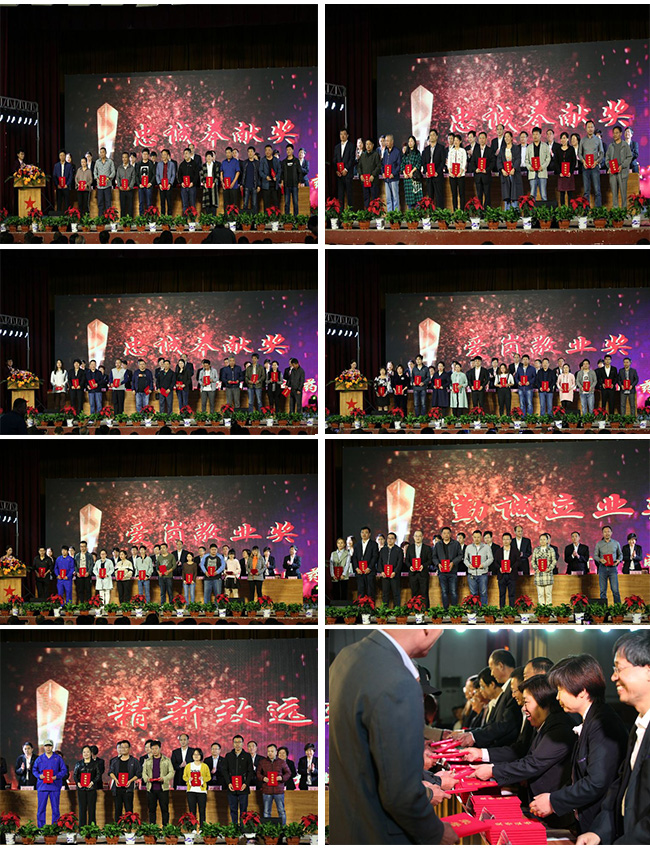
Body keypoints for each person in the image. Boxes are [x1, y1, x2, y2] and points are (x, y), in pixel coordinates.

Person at [329, 628, 455, 844]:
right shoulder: (398, 680)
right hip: (379, 834)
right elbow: (401, 793)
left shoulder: (347, 656)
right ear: (427, 627)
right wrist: (436, 832)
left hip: (349, 828)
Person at [528, 655, 628, 832]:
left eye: (560, 690)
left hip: (600, 825)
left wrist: (553, 801)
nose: (557, 697)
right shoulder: (592, 718)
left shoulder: (602, 722)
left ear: (582, 691)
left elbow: (597, 782)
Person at [469, 675, 576, 825]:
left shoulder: (559, 727)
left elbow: (532, 763)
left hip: (553, 812)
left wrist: (493, 771)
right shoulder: (543, 723)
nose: (523, 708)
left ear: (542, 700)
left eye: (526, 702)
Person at [576, 632, 650, 844]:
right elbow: (623, 786)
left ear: (648, 670)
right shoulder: (639, 724)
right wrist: (599, 832)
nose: (613, 677)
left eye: (619, 668)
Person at [34, 740, 67, 826]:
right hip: (42, 787)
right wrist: (39, 776)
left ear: (52, 747)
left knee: (55, 809)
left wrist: (56, 776)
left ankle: (55, 827)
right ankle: (41, 828)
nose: (48, 748)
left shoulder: (58, 758)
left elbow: (64, 770)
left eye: (49, 746)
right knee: (41, 809)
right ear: (43, 747)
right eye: (46, 746)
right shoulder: (39, 759)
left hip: (54, 786)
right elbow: (34, 770)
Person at [257, 743, 291, 824]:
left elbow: (288, 773)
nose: (270, 753)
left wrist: (281, 778)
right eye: (268, 751)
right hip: (267, 791)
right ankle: (267, 829)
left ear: (276, 752)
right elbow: (258, 773)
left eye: (272, 751)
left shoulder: (281, 762)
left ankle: (283, 829)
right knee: (266, 811)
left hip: (278, 791)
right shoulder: (262, 762)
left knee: (281, 811)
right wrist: (263, 778)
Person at [141, 740, 173, 826]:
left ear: (160, 748)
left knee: (164, 810)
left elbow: (171, 772)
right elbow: (143, 773)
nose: (154, 750)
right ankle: (153, 828)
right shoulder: (147, 761)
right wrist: (146, 778)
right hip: (151, 788)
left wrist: (164, 778)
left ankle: (166, 828)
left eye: (156, 748)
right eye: (152, 749)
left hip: (163, 789)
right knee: (151, 810)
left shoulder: (167, 760)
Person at [224, 735, 254, 825]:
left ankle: (242, 827)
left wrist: (246, 784)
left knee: (243, 810)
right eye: (235, 742)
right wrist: (228, 783)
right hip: (232, 787)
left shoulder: (247, 756)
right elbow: (225, 770)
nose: (237, 744)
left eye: (239, 742)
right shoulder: (228, 756)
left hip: (243, 787)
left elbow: (250, 771)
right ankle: (234, 827)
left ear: (243, 744)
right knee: (233, 809)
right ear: (233, 744)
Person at [109, 740, 142, 820]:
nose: (123, 749)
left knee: (129, 810)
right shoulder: (115, 761)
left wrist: (130, 781)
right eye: (122, 747)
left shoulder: (134, 761)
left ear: (129, 748)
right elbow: (110, 772)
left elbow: (139, 774)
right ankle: (118, 827)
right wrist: (116, 780)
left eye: (125, 747)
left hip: (128, 789)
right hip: (117, 789)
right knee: (117, 810)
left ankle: (129, 827)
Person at [73, 745, 102, 827]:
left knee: (91, 809)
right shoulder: (79, 764)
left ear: (91, 753)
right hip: (81, 789)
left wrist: (92, 782)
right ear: (82, 753)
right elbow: (75, 775)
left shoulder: (95, 764)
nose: (86, 754)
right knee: (82, 809)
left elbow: (98, 775)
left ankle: (91, 828)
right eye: (84, 752)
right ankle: (82, 828)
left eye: (88, 752)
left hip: (91, 789)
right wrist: (78, 783)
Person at [605, 125, 633, 208]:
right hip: (613, 173)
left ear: (621, 134)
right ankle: (616, 211)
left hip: (622, 172)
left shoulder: (625, 145)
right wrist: (609, 166)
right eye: (614, 133)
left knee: (623, 194)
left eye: (617, 133)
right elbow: (607, 158)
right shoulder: (611, 146)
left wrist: (623, 165)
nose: (615, 135)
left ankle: (623, 211)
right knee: (614, 193)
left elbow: (629, 157)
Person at [578, 120, 604, 207]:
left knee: (597, 190)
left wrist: (596, 162)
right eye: (588, 127)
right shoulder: (582, 140)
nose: (590, 129)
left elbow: (602, 153)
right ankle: (586, 210)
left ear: (594, 128)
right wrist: (583, 161)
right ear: (586, 128)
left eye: (592, 127)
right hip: (585, 167)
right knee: (586, 191)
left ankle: (598, 210)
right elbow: (579, 154)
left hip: (595, 167)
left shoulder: (598, 140)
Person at [594, 525, 622, 604]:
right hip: (602, 568)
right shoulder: (599, 544)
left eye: (608, 531)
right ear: (602, 533)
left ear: (611, 533)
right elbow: (595, 556)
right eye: (605, 532)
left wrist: (618, 560)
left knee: (615, 590)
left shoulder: (616, 543)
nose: (607, 533)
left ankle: (618, 608)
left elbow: (620, 555)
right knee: (603, 591)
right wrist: (600, 560)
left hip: (613, 568)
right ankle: (604, 609)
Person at [182, 748, 211, 826]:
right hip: (191, 791)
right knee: (192, 811)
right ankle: (193, 828)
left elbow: (209, 777)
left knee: (202, 810)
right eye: (194, 754)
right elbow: (184, 777)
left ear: (201, 755)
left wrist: (203, 779)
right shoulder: (188, 766)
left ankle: (202, 828)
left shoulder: (204, 766)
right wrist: (189, 779)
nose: (196, 756)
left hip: (201, 791)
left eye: (198, 754)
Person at [464, 529, 493, 605]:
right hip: (472, 574)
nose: (476, 539)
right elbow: (465, 559)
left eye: (478, 537)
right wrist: (469, 565)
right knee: (473, 594)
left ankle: (484, 609)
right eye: (475, 537)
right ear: (472, 537)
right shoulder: (468, 547)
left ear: (481, 537)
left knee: (483, 593)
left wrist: (483, 565)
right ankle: (475, 610)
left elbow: (491, 558)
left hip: (483, 574)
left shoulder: (486, 547)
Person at [420, 128, 446, 209]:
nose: (431, 137)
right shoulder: (426, 150)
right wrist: (426, 171)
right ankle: (431, 213)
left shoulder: (441, 148)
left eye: (433, 135)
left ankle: (439, 213)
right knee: (430, 197)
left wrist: (437, 172)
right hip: (429, 177)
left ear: (437, 137)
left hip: (437, 176)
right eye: (430, 135)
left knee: (439, 196)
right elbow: (423, 162)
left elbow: (442, 162)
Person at [376, 532, 403, 609]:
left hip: (394, 575)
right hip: (385, 575)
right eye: (388, 538)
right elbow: (379, 562)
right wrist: (381, 571)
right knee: (385, 594)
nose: (390, 540)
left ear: (395, 540)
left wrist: (395, 572)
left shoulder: (398, 550)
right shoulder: (383, 550)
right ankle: (385, 610)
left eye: (392, 538)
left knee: (396, 593)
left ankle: (397, 610)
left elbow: (400, 563)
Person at [496, 131, 522, 209]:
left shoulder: (516, 148)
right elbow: (499, 161)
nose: (506, 138)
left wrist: (514, 169)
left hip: (514, 174)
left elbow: (518, 159)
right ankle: (507, 213)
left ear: (511, 138)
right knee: (506, 195)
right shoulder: (502, 149)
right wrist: (502, 170)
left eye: (508, 136)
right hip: (505, 174)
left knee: (514, 194)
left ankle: (515, 212)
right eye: (505, 137)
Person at [525, 126, 551, 201]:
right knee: (532, 194)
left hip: (542, 172)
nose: (535, 136)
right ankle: (532, 208)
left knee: (543, 194)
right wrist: (529, 167)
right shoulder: (529, 147)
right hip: (532, 173)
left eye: (537, 134)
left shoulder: (545, 146)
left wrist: (542, 166)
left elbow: (548, 158)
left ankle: (544, 208)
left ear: (540, 135)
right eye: (533, 134)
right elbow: (526, 160)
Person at [470, 131, 494, 207]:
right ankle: (480, 211)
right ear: (478, 139)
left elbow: (493, 162)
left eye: (483, 138)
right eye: (480, 138)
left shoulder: (490, 150)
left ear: (486, 139)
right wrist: (475, 169)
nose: (482, 140)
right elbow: (472, 162)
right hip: (478, 176)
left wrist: (486, 170)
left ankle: (487, 211)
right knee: (479, 195)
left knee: (487, 195)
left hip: (486, 176)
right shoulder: (476, 150)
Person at [531, 533, 556, 604]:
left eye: (544, 539)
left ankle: (548, 609)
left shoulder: (551, 549)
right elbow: (532, 561)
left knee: (548, 594)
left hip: (548, 574)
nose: (542, 541)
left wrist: (550, 568)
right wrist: (536, 569)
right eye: (541, 539)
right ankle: (541, 609)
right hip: (539, 574)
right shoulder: (536, 550)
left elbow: (554, 560)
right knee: (540, 594)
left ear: (547, 540)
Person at [357, 138, 381, 208]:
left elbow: (378, 166)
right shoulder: (362, 155)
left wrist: (373, 175)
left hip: (373, 180)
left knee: (374, 199)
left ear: (373, 145)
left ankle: (375, 213)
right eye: (367, 144)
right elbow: (359, 166)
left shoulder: (376, 154)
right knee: (366, 198)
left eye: (369, 144)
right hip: (365, 180)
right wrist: (361, 175)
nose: (368, 146)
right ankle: (367, 212)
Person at [333, 127, 354, 208]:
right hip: (339, 175)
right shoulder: (337, 147)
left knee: (349, 194)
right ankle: (341, 213)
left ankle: (350, 213)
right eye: (341, 134)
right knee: (340, 195)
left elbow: (351, 159)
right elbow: (335, 160)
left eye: (344, 134)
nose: (342, 136)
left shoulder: (351, 146)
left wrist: (346, 169)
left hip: (348, 174)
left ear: (347, 135)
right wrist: (336, 170)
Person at [401, 135, 423, 210]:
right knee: (409, 199)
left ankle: (418, 214)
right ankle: (410, 215)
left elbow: (418, 164)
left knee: (417, 199)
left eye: (412, 141)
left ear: (414, 143)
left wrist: (412, 172)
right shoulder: (406, 154)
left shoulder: (417, 153)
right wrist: (404, 173)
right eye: (409, 141)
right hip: (407, 179)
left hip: (415, 178)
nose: (410, 143)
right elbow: (402, 164)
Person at [495, 532, 516, 608]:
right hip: (502, 575)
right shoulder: (498, 551)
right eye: (504, 539)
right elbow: (495, 562)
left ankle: (511, 610)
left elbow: (518, 561)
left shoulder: (515, 551)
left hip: (511, 575)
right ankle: (502, 610)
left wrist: (512, 568)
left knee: (512, 594)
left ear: (510, 540)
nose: (505, 541)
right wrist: (499, 568)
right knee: (502, 594)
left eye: (507, 539)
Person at [280, 144, 303, 214]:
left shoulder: (296, 161)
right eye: (287, 150)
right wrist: (282, 181)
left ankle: (296, 217)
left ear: (293, 150)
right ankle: (287, 218)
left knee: (295, 202)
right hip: (286, 185)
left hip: (295, 185)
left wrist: (299, 182)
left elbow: (300, 172)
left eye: (290, 149)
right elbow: (282, 173)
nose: (288, 151)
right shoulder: (283, 162)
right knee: (287, 203)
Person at [381, 134, 401, 213]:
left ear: (392, 142)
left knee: (395, 197)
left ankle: (396, 214)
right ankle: (390, 214)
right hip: (387, 179)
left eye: (388, 141)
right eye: (385, 141)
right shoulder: (385, 152)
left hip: (394, 178)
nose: (386, 142)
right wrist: (383, 172)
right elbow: (382, 164)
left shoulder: (397, 152)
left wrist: (394, 173)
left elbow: (399, 165)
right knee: (388, 198)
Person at [93, 147, 115, 216]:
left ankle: (108, 218)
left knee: (108, 203)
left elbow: (113, 172)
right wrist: (97, 178)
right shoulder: (97, 162)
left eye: (103, 152)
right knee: (100, 203)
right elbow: (95, 172)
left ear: (106, 153)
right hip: (99, 186)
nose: (102, 154)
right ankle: (101, 218)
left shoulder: (110, 162)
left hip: (107, 185)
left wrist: (108, 178)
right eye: (101, 152)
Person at [446, 134, 467, 210]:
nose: (455, 142)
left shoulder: (463, 151)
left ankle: (462, 211)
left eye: (457, 140)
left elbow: (464, 162)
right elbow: (449, 163)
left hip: (461, 175)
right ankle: (455, 210)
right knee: (454, 194)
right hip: (452, 175)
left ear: (460, 141)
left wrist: (460, 172)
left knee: (461, 194)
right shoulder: (451, 151)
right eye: (454, 140)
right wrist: (450, 172)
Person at [556, 132, 577, 205]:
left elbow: (574, 161)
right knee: (562, 193)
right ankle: (563, 209)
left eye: (564, 138)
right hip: (561, 175)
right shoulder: (558, 150)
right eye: (562, 138)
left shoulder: (571, 149)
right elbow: (556, 162)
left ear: (568, 139)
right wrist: (559, 172)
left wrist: (570, 172)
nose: (563, 140)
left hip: (569, 174)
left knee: (570, 193)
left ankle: (570, 209)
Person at [330, 537, 352, 603]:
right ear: (336, 544)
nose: (340, 544)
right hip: (335, 575)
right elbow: (331, 565)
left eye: (342, 543)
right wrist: (332, 574)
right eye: (338, 543)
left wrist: (343, 574)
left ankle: (343, 605)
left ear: (344, 544)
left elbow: (347, 564)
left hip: (343, 575)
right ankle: (336, 605)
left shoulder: (347, 553)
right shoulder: (333, 553)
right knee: (336, 590)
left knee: (343, 590)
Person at [259, 145, 281, 210]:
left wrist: (276, 177)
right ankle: (266, 216)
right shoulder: (262, 160)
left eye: (269, 150)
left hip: (275, 186)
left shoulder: (276, 160)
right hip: (266, 185)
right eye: (266, 150)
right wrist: (265, 177)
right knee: (266, 204)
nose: (267, 152)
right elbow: (260, 171)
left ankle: (276, 216)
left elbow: (279, 170)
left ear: (271, 151)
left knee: (276, 203)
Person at [134, 148, 156, 212]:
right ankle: (141, 216)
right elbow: (136, 175)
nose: (145, 155)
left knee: (149, 202)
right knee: (141, 202)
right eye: (144, 154)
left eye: (146, 154)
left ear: (148, 155)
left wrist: (150, 183)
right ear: (142, 154)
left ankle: (149, 216)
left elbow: (154, 175)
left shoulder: (151, 164)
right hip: (141, 186)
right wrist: (139, 184)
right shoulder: (138, 164)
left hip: (149, 186)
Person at [53, 149, 73, 213]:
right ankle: (59, 214)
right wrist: (57, 184)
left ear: (65, 156)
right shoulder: (56, 165)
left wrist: (67, 184)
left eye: (63, 155)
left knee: (67, 202)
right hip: (59, 187)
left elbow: (71, 176)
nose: (62, 157)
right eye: (60, 155)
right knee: (59, 201)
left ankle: (67, 214)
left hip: (66, 186)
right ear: (59, 156)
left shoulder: (69, 165)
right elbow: (54, 176)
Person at [74, 540, 93, 604]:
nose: (82, 548)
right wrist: (77, 572)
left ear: (86, 547)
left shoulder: (89, 555)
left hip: (87, 575)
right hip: (79, 575)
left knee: (88, 590)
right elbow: (75, 565)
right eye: (81, 546)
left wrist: (88, 572)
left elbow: (91, 565)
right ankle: (81, 603)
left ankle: (88, 604)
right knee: (80, 590)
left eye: (84, 546)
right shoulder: (77, 555)